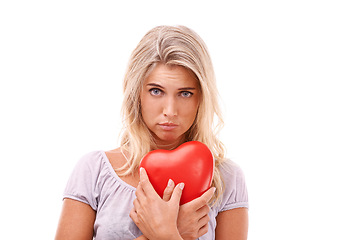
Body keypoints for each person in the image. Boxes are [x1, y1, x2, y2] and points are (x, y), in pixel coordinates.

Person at [55, 25, 248, 240]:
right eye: (156, 91)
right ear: (137, 93)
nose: (170, 111)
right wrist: (168, 234)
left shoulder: (227, 179)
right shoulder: (94, 171)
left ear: (201, 98)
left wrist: (167, 235)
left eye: (185, 93)